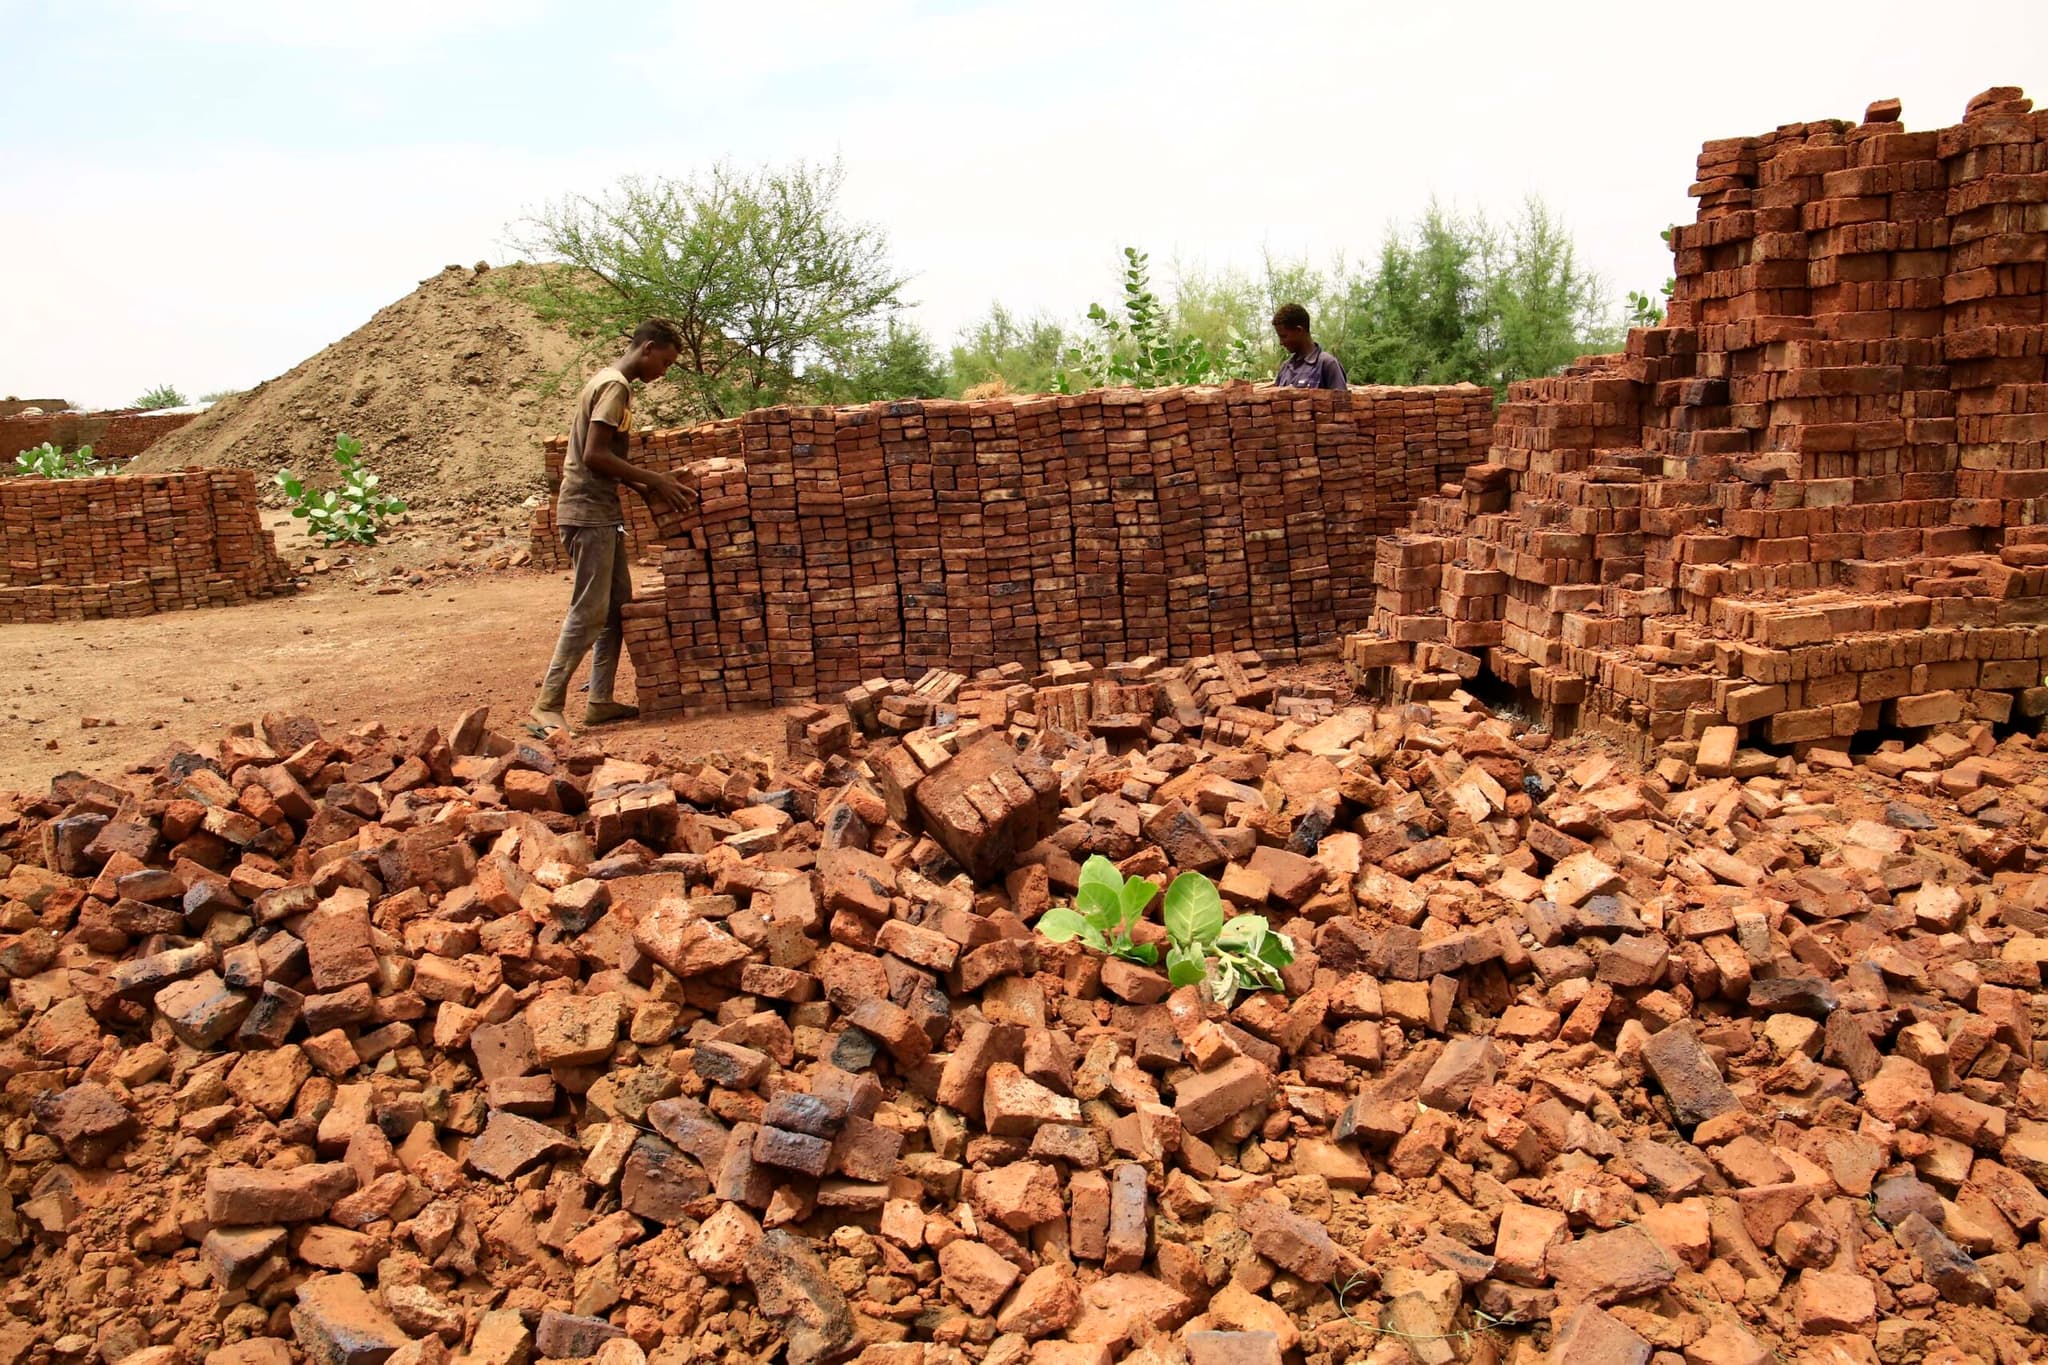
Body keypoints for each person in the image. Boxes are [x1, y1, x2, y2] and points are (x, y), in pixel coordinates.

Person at [531, 319, 693, 735]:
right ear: (648, 348)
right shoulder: (615, 387)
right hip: (588, 513)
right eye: (667, 361)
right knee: (589, 611)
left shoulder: (610, 383)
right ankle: (547, 704)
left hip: (601, 510)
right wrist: (654, 479)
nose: (666, 371)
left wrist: (642, 487)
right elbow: (594, 455)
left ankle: (599, 701)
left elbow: (606, 461)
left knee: (617, 608)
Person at [1271, 303, 1347, 391]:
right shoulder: (1285, 368)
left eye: (1283, 336)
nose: (1281, 342)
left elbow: (1341, 402)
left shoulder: (1327, 364)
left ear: (1299, 330)